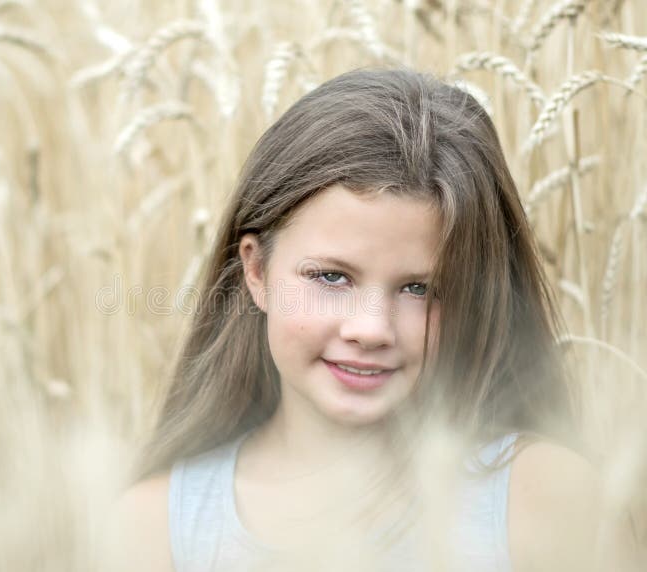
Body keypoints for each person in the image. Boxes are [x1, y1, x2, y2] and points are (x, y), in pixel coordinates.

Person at [111, 68, 638, 571]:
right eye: (331, 278)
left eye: (421, 289)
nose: (371, 329)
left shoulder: (546, 498)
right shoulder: (156, 527)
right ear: (256, 270)